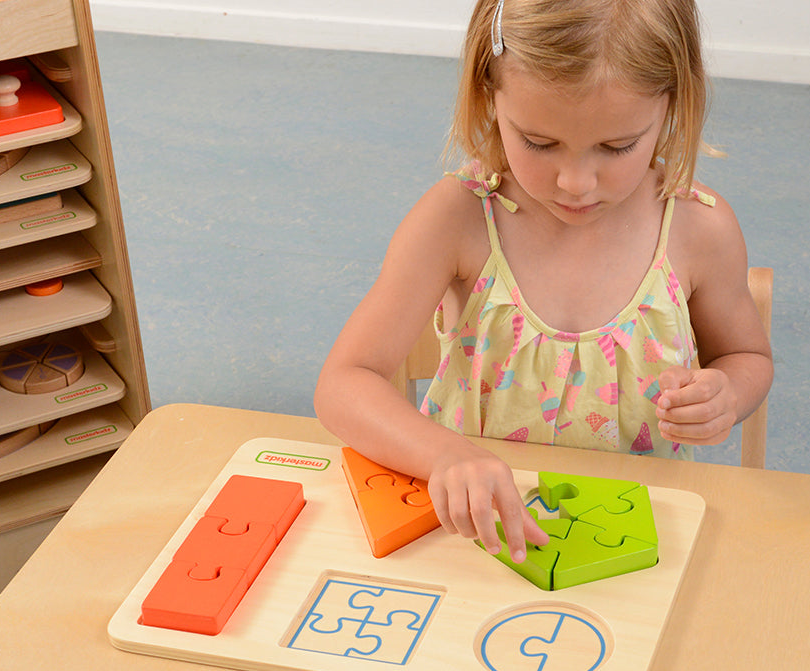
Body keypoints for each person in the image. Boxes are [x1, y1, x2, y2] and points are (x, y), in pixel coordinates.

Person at [314, 0, 773, 565]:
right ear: (488, 95)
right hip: (473, 533)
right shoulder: (457, 219)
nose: (575, 182)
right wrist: (445, 455)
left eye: (617, 146)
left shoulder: (699, 230)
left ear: (673, 102)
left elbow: (746, 356)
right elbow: (344, 383)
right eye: (538, 142)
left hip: (636, 546)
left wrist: (726, 394)